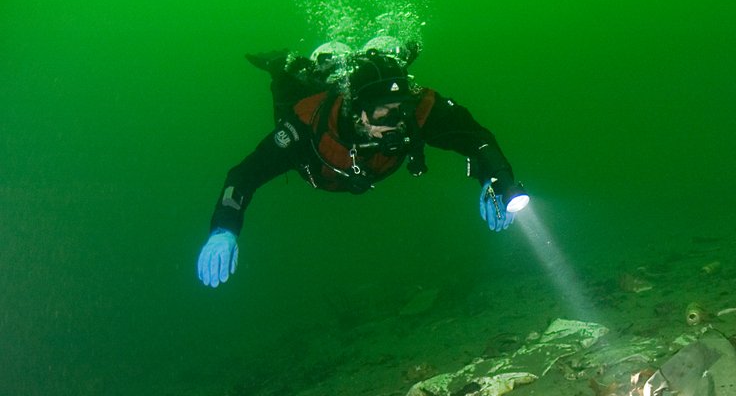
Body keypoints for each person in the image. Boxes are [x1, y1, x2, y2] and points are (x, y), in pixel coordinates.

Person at [197, 39, 529, 288]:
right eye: (384, 112)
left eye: (402, 108)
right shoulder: (306, 123)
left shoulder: (419, 110)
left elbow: (475, 137)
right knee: (288, 92)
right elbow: (243, 175)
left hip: (359, 168)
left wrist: (494, 178)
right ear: (358, 111)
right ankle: (283, 66)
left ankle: (381, 53)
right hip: (320, 165)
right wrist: (224, 229)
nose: (398, 122)